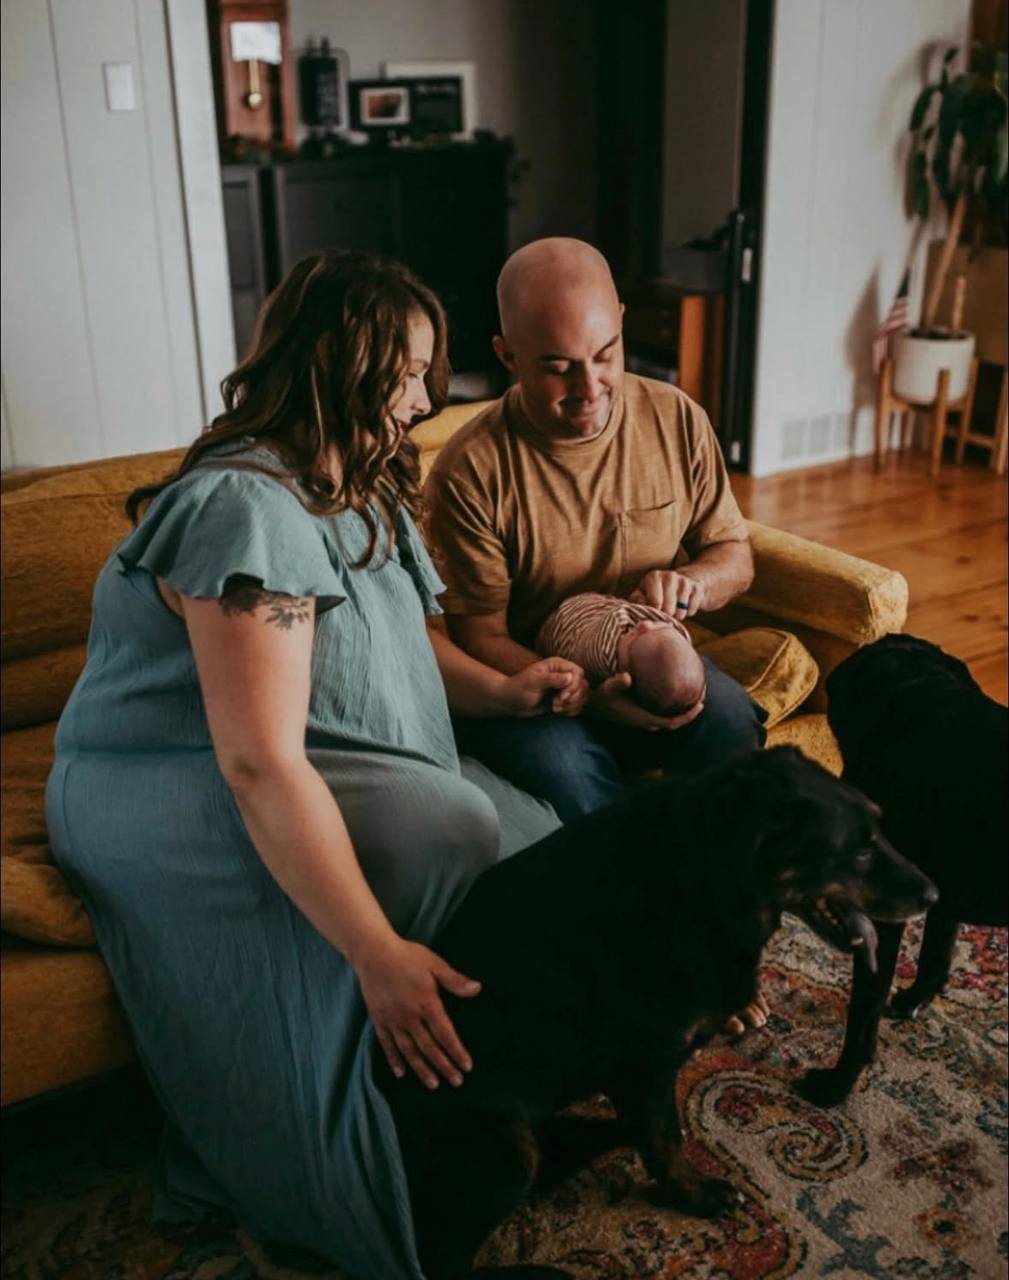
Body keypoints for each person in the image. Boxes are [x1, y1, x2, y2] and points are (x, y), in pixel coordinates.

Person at [44, 250, 586, 1279]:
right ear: (342, 365)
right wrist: (376, 952)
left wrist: (507, 692)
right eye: (409, 371)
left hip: (281, 743)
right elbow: (255, 761)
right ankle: (340, 1140)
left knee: (540, 836)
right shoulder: (244, 506)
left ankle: (475, 1086)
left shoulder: (354, 479)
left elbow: (404, 642)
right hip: (162, 774)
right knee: (448, 823)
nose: (429, 397)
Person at [425, 236, 769, 1035]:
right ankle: (647, 953)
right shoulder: (472, 472)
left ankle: (726, 932)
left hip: (648, 653)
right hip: (538, 685)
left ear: (618, 325)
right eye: (556, 367)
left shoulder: (675, 417)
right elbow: (476, 632)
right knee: (571, 778)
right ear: (507, 355)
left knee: (727, 724)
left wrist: (698, 583)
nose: (589, 388)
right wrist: (581, 701)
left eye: (603, 355)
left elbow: (735, 555)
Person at [536, 594, 707, 717]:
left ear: (624, 673)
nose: (644, 625)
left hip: (560, 626)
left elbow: (620, 613)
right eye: (659, 627)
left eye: (634, 639)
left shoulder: (602, 654)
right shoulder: (667, 642)